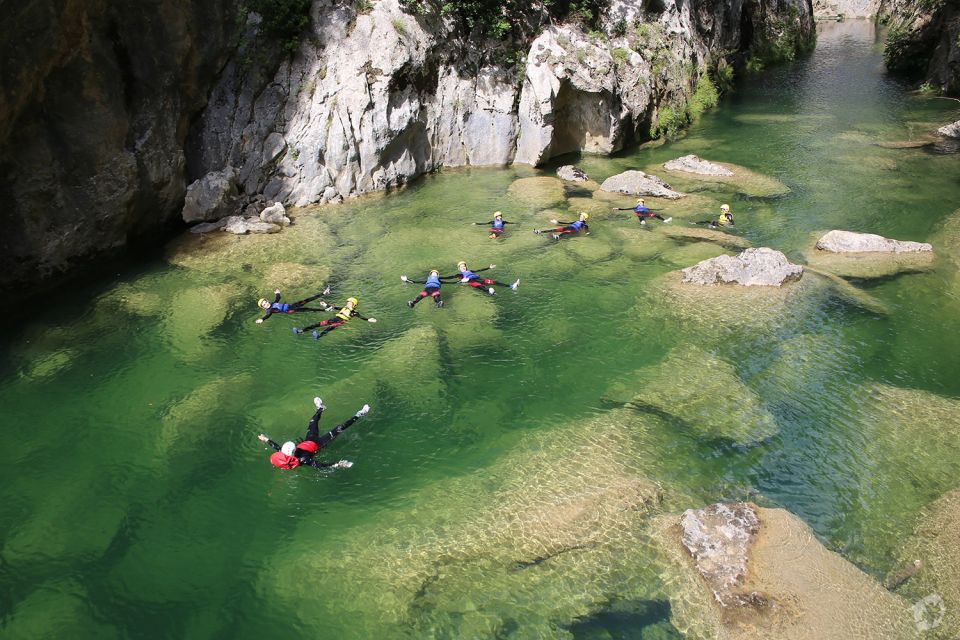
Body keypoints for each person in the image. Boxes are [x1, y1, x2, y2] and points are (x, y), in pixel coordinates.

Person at [257, 397, 370, 470]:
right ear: (293, 451)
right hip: (319, 444)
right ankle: (360, 414)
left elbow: (276, 447)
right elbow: (320, 466)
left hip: (309, 440)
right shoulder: (304, 460)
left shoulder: (285, 455)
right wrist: (338, 464)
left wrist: (266, 439)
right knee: (340, 428)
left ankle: (320, 408)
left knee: (313, 421)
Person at [292, 297, 377, 340]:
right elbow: (334, 308)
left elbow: (361, 317)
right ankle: (301, 331)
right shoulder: (344, 308)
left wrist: (368, 319)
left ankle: (318, 336)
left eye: (349, 303)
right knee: (318, 324)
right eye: (347, 302)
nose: (347, 303)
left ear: (354, 305)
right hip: (334, 318)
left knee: (329, 328)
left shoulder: (354, 312)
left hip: (340, 322)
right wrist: (325, 305)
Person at [256, 286, 332, 324]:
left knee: (307, 300)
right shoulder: (270, 310)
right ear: (264, 308)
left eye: (266, 302)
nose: (266, 304)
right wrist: (262, 319)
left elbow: (278, 298)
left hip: (292, 306)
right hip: (291, 310)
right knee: (308, 309)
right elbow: (267, 316)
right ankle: (325, 310)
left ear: (267, 301)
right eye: (264, 305)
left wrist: (277, 293)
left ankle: (324, 293)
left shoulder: (272, 304)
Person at [449, 261, 519, 296]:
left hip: (480, 279)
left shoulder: (470, 271)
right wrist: (438, 277)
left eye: (464, 266)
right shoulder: (459, 275)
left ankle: (511, 286)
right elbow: (449, 277)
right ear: (459, 268)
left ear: (466, 267)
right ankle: (489, 292)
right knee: (481, 286)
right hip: (473, 282)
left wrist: (489, 267)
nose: (463, 267)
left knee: (494, 282)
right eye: (461, 267)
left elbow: (479, 270)